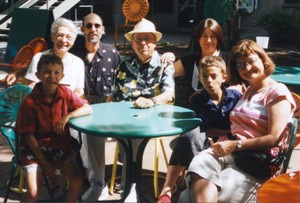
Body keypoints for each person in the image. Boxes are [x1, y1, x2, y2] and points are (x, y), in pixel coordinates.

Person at [178, 39, 295, 203]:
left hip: (256, 163)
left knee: (186, 197)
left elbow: (274, 138)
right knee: (199, 162)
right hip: (232, 153)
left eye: (251, 61)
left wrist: (236, 145)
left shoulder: (277, 92)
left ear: (262, 59)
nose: (247, 68)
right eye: (240, 65)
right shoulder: (248, 91)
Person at [157, 56, 242, 203]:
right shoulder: (197, 99)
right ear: (199, 79)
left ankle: (187, 179)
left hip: (232, 144)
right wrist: (225, 132)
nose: (209, 80)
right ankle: (167, 189)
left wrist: (228, 135)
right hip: (204, 143)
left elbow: (240, 124)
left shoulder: (235, 97)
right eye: (204, 76)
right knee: (190, 134)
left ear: (224, 77)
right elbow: (203, 129)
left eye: (214, 76)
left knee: (190, 137)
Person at [112, 18, 175, 201]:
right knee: (92, 134)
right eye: (138, 39)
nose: (143, 43)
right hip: (124, 117)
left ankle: (129, 189)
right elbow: (114, 95)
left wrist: (152, 101)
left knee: (131, 138)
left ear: (155, 42)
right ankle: (97, 182)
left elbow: (169, 94)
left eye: (147, 39)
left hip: (151, 118)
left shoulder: (164, 65)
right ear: (132, 43)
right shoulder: (124, 65)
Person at [16, 54, 93, 202]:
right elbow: (28, 135)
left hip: (59, 148)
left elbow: (87, 109)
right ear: (38, 75)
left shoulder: (65, 93)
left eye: (56, 72)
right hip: (34, 152)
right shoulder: (30, 102)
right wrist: (44, 162)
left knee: (77, 180)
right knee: (33, 193)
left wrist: (67, 116)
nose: (52, 76)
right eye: (47, 72)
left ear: (62, 75)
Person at [70, 13, 121, 201]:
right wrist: (19, 71)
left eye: (97, 26)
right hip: (80, 109)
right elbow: (47, 57)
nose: (93, 30)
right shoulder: (73, 52)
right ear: (82, 29)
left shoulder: (112, 52)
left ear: (103, 29)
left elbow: (123, 77)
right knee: (80, 136)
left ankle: (124, 183)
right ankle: (96, 183)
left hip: (106, 108)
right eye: (89, 26)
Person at [5, 17, 85, 98]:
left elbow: (79, 92)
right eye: (60, 35)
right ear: (52, 37)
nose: (64, 40)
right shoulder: (39, 57)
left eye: (69, 37)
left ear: (74, 41)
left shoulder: (78, 63)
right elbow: (28, 87)